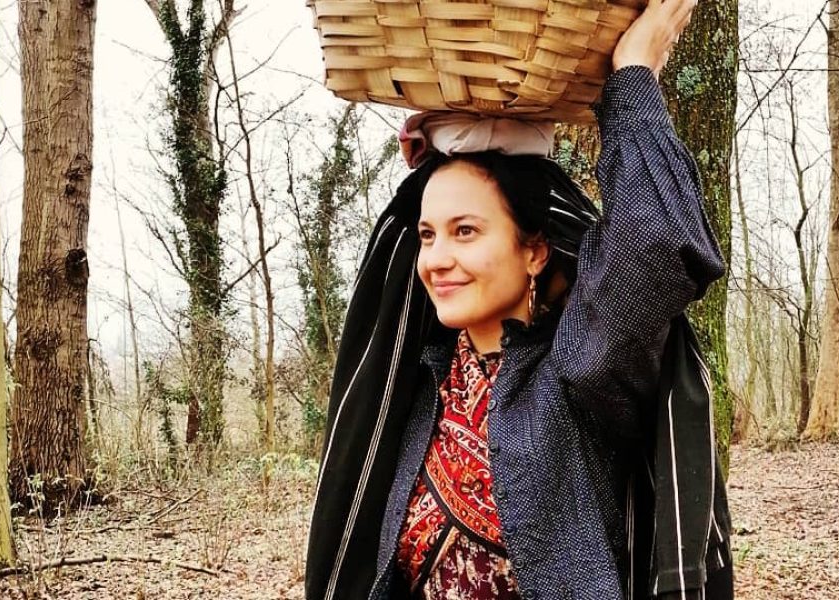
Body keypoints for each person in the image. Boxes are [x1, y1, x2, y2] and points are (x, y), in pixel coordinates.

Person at [305, 0, 734, 598]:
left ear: (534, 250)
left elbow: (656, 243)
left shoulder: (579, 369)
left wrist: (633, 76)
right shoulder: (420, 383)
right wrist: (443, 139)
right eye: (429, 235)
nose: (435, 259)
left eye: (466, 231)